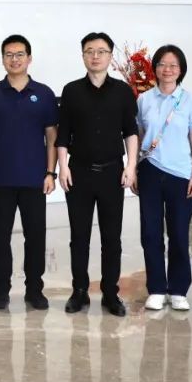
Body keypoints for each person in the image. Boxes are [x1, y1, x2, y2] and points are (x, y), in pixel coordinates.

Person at [56, 32, 138, 316]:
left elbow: (130, 132)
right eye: (89, 51)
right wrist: (63, 166)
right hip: (79, 172)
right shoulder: (71, 91)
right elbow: (63, 134)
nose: (95, 56)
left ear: (110, 56)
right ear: (83, 56)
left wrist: (130, 166)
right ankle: (79, 291)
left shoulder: (123, 91)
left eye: (101, 51)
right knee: (79, 236)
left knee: (111, 238)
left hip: (112, 173)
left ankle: (110, 293)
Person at [0, 34, 58, 311]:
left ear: (29, 58)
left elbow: (51, 136)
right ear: (3, 59)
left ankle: (34, 289)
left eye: (20, 54)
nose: (15, 59)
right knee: (0, 236)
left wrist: (51, 173)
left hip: (35, 179)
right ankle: (0, 289)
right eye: (9, 55)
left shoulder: (44, 93)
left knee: (35, 236)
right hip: (0, 179)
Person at [135, 44, 192, 312]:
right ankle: (156, 288)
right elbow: (139, 136)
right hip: (150, 171)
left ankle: (178, 290)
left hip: (180, 174)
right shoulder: (144, 100)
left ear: (181, 69)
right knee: (150, 232)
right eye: (163, 64)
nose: (168, 69)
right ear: (155, 68)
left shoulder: (189, 100)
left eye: (173, 65)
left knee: (178, 233)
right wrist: (134, 169)